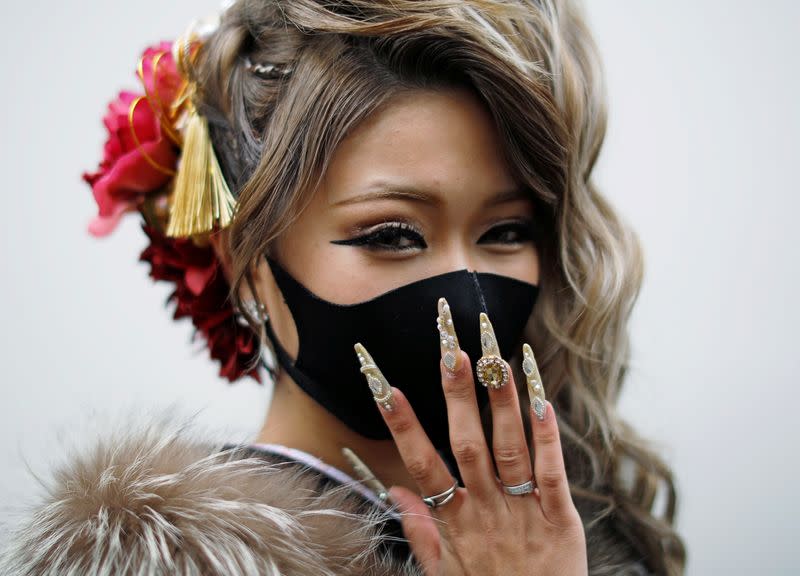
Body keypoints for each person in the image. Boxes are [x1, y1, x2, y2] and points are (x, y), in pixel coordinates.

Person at [0, 0, 686, 574]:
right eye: (391, 234)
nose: (467, 290)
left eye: (506, 232)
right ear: (247, 260)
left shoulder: (588, 529)